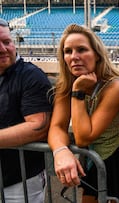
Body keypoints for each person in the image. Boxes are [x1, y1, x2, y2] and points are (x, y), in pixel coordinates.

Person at [47, 24, 119, 203]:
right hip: (92, 159)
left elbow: (83, 137)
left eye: (82, 49)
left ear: (97, 55)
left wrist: (78, 92)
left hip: (117, 157)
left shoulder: (115, 87)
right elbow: (57, 127)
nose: (74, 57)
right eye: (68, 51)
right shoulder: (65, 85)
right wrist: (61, 152)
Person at [0, 18, 52, 202]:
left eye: (6, 42)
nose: (3, 48)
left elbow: (39, 126)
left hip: (20, 183)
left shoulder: (31, 75)